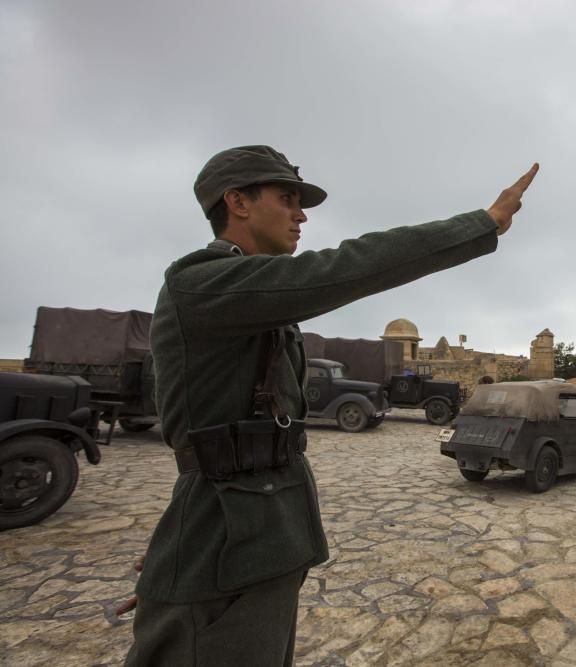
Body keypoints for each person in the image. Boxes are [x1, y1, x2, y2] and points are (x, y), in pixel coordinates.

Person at [122, 145, 539, 666]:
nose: (300, 215)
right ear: (237, 202)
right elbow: (349, 265)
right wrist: (483, 223)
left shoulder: (252, 298)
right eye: (286, 198)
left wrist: (182, 550)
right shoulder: (203, 283)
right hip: (224, 553)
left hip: (251, 548)